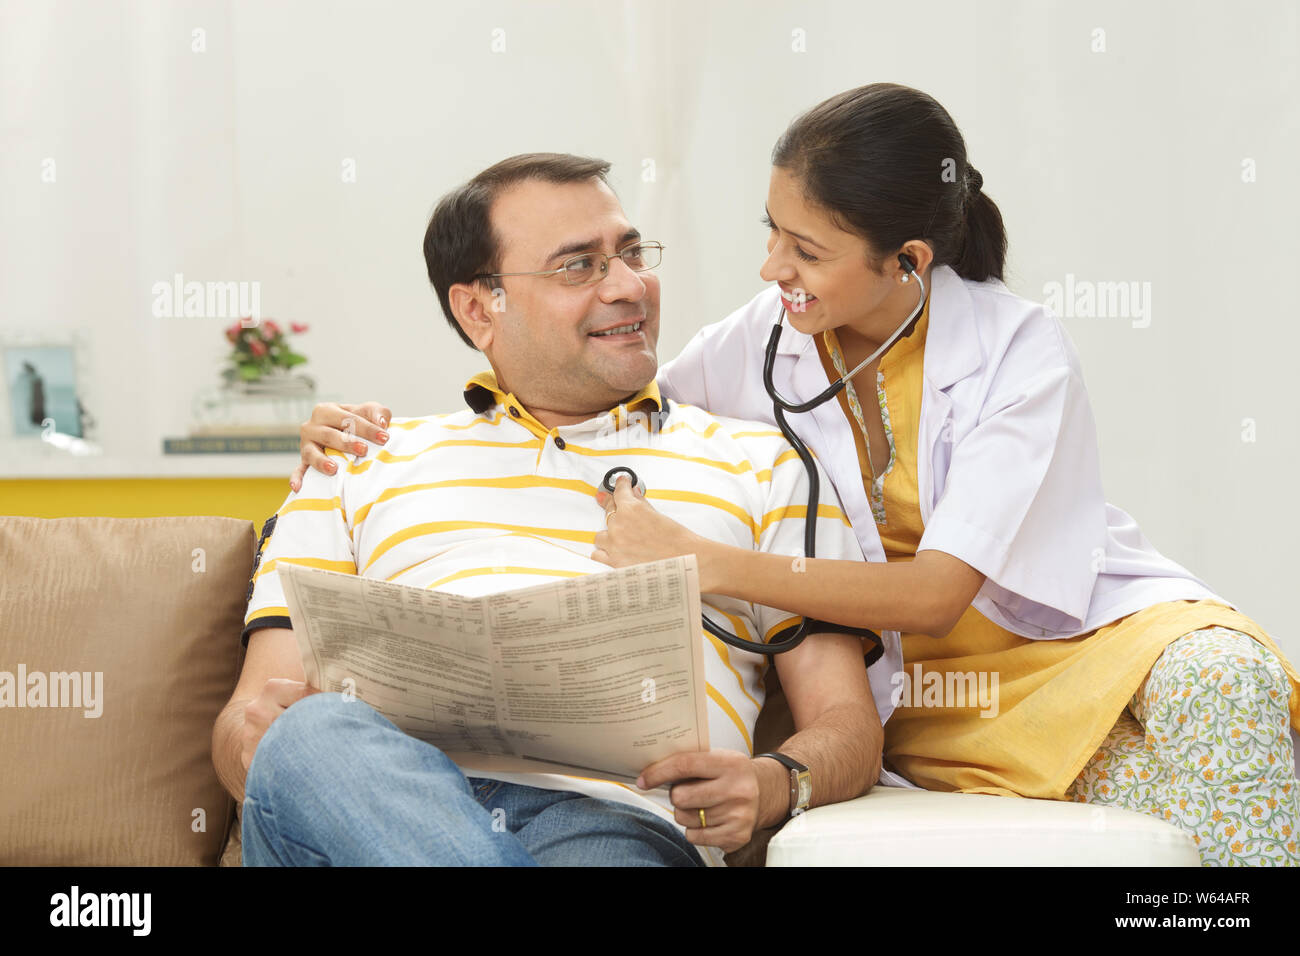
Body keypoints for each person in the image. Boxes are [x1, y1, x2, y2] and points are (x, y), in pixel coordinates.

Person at [297, 85, 1300, 866]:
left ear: (905, 260)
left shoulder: (1017, 351)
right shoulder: (757, 342)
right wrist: (399, 436)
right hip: (924, 688)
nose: (773, 266)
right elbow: (594, 398)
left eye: (806, 248)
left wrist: (704, 561)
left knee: (1226, 688)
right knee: (1175, 824)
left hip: (1057, 639)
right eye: (769, 230)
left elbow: (938, 588)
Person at [213, 152, 887, 867]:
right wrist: (258, 740)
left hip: (617, 818)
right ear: (479, 308)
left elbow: (847, 724)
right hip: (373, 804)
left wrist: (773, 782)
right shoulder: (355, 460)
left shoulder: (762, 464)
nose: (629, 286)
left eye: (630, 253)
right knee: (314, 737)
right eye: (579, 266)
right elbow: (248, 722)